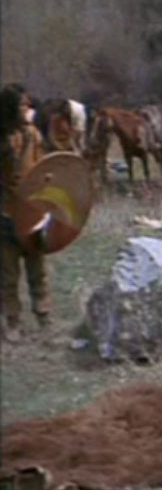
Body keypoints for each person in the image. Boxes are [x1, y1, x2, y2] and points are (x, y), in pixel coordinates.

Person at [1, 84, 51, 342]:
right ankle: (13, 321)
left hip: (32, 212)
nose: (27, 109)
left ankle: (43, 316)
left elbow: (44, 168)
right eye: (22, 105)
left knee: (37, 269)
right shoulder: (2, 138)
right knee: (8, 275)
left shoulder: (34, 134)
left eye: (28, 104)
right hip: (5, 214)